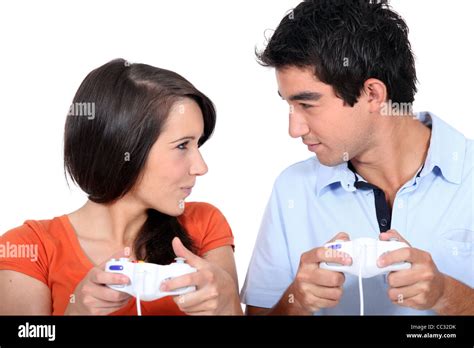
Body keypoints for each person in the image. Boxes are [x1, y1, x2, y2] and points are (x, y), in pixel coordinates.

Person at [241, 0, 473, 315]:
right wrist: (296, 300)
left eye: (307, 104)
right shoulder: (292, 189)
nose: (294, 129)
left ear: (373, 95)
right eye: (289, 105)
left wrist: (446, 295)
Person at [0, 59, 242, 315]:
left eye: (197, 145)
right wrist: (76, 312)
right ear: (122, 148)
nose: (200, 167)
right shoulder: (30, 247)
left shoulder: (204, 224)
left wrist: (229, 306)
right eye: (182, 145)